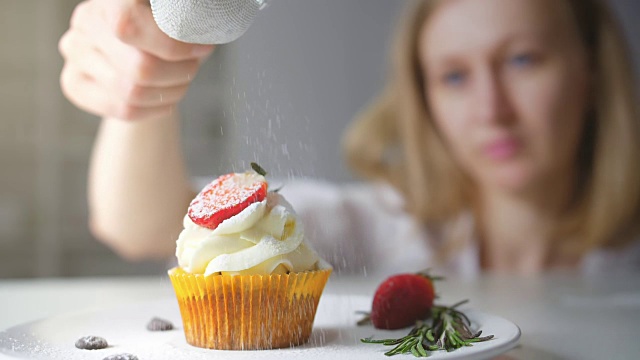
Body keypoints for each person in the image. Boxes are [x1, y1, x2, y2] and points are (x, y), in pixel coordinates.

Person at [59, 0, 640, 276]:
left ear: (590, 70)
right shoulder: (375, 231)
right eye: (455, 76)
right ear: (425, 99)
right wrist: (140, 69)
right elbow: (138, 225)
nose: (492, 110)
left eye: (522, 60)